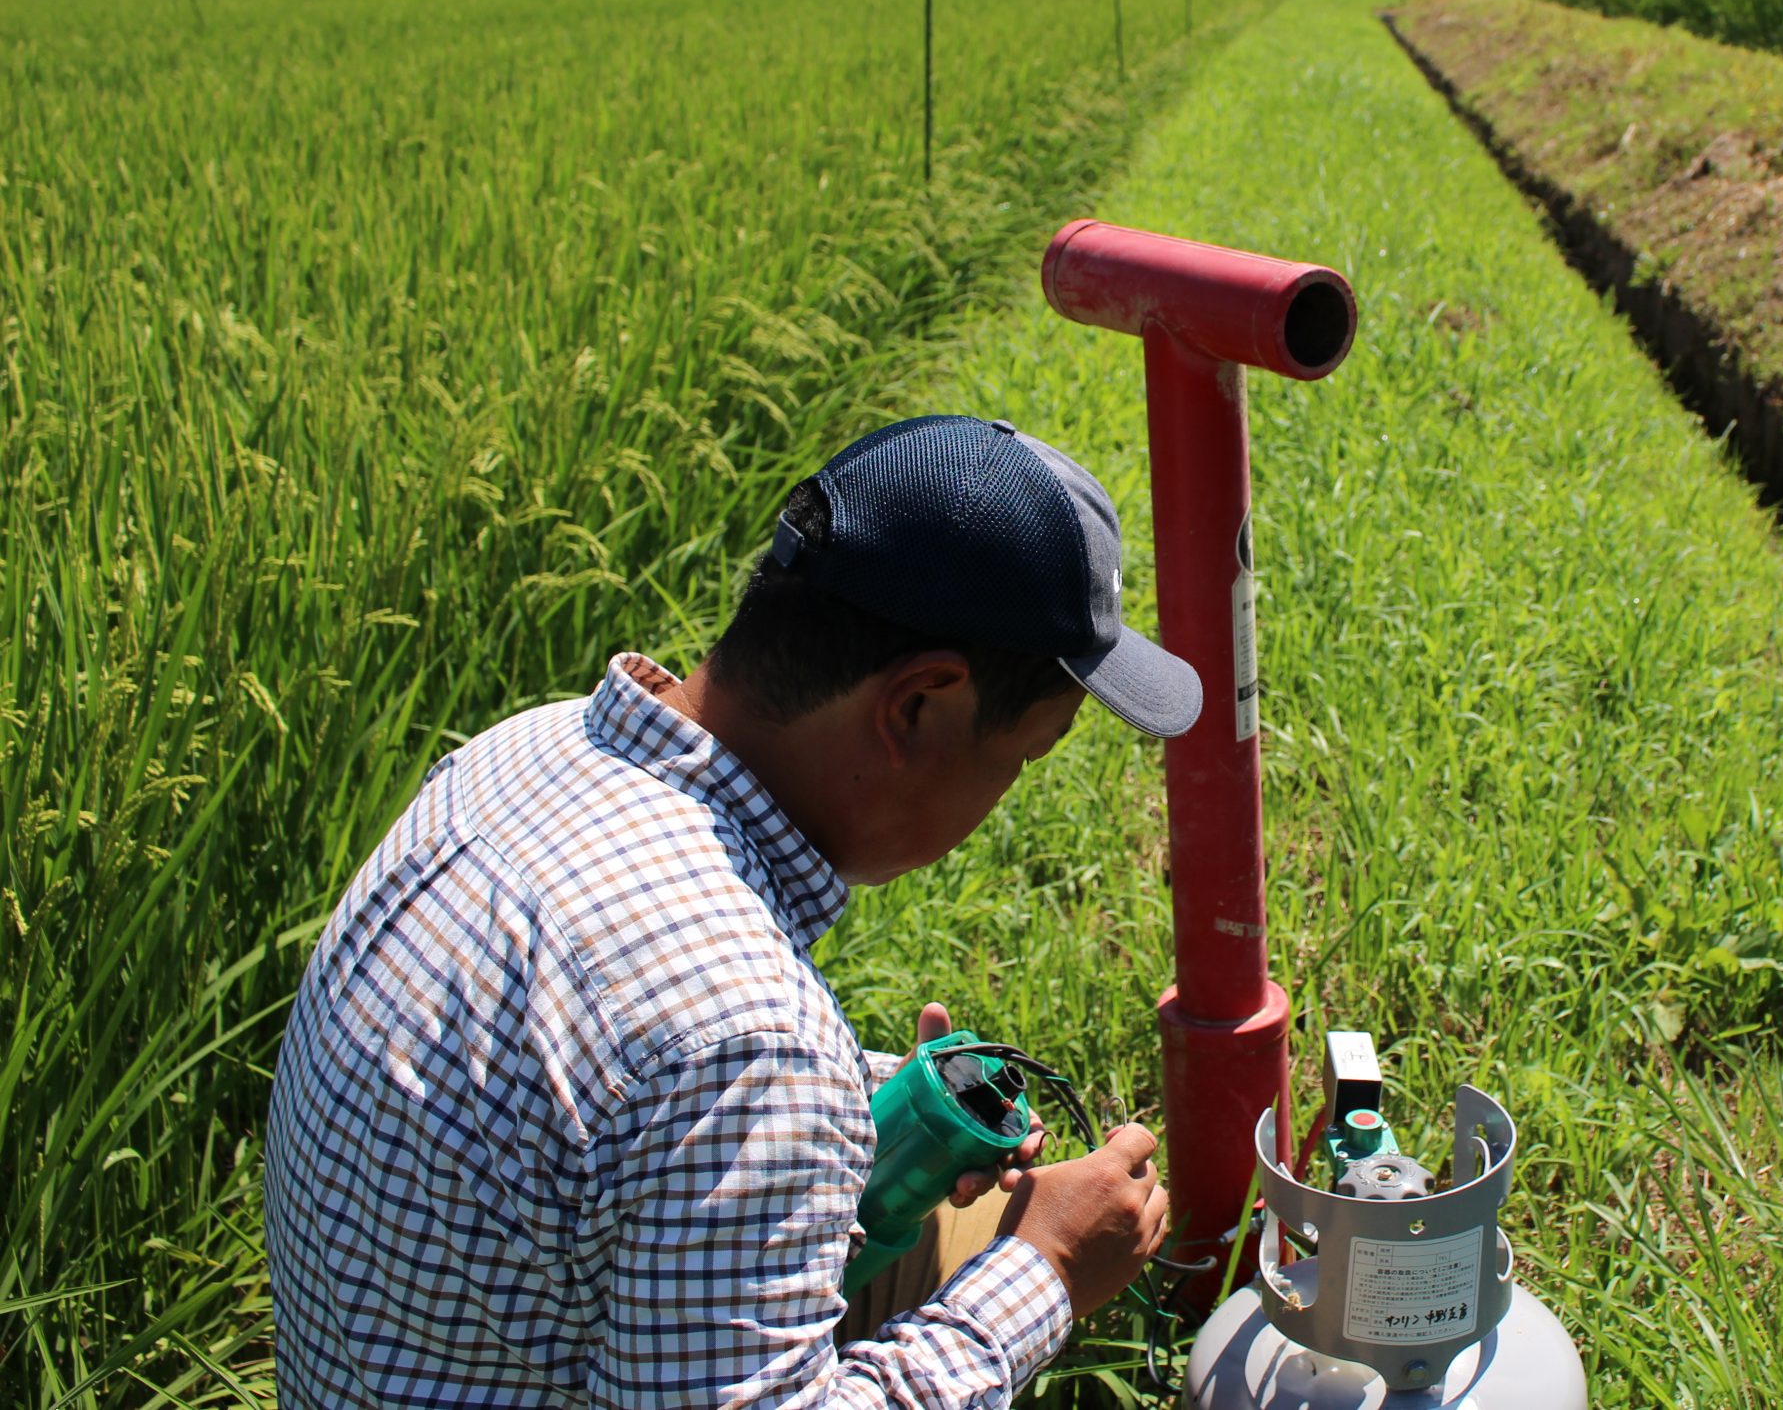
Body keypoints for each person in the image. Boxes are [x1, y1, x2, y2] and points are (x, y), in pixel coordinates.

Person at [266, 415, 1200, 1407]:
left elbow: (605, 1078)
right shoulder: (746, 1042)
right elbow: (705, 1057)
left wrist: (848, 1099)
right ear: (919, 703)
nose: (1008, 786)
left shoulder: (525, 751)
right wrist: (1044, 1274)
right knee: (1013, 1252)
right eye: (1026, 752)